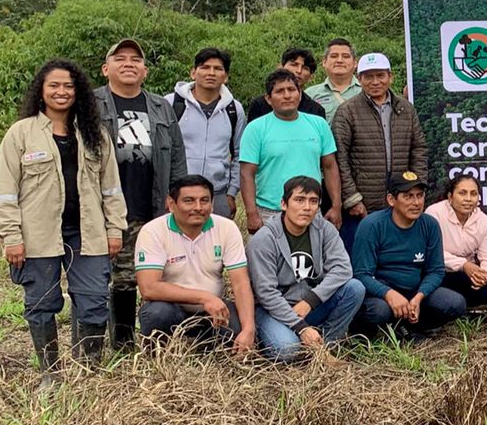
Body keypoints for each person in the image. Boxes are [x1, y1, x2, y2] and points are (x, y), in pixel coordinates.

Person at [0, 60, 125, 372]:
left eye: (69, 86)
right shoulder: (21, 134)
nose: (61, 92)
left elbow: (111, 189)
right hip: (37, 235)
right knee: (40, 304)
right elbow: (5, 192)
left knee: (93, 301)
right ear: (41, 90)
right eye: (54, 85)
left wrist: (115, 229)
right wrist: (11, 237)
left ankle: (88, 371)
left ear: (78, 91)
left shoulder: (95, 135)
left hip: (88, 233)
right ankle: (50, 374)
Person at [93, 37, 187, 352]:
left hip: (154, 206)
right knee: (118, 278)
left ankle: (157, 340)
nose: (129, 63)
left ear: (145, 71)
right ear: (106, 69)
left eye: (136, 59)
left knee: (155, 274)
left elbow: (176, 157)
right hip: (109, 207)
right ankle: (121, 344)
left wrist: (178, 199)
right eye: (120, 58)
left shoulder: (161, 106)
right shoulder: (92, 104)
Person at [245, 175, 365, 363]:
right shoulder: (263, 240)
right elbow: (266, 293)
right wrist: (300, 327)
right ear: (284, 204)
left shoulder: (325, 229)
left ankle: (324, 345)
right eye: (299, 200)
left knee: (354, 288)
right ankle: (299, 340)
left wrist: (311, 300)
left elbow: (342, 268)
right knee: (286, 351)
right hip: (274, 309)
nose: (307, 207)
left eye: (313, 201)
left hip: (310, 304)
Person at [135, 175, 257, 356]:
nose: (198, 208)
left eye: (204, 201)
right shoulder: (153, 231)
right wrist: (203, 298)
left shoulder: (227, 228)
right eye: (189, 201)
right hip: (172, 308)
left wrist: (248, 329)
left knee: (240, 330)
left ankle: (205, 349)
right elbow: (149, 288)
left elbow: (240, 283)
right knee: (157, 314)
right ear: (171, 203)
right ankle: (158, 354)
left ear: (213, 203)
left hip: (213, 312)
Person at [351, 172, 465, 338]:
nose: (416, 203)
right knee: (378, 311)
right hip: (381, 294)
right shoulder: (371, 225)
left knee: (455, 304)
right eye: (408, 196)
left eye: (420, 196)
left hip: (414, 291)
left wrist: (419, 296)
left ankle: (412, 326)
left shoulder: (430, 224)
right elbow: (361, 274)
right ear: (391, 200)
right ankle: (383, 330)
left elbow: (436, 270)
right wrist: (389, 294)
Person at [331, 52, 427, 247]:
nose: (375, 81)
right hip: (362, 206)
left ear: (390, 77)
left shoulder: (406, 109)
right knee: (362, 261)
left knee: (396, 259)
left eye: (380, 75)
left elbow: (419, 150)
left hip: (401, 202)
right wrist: (352, 198)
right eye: (368, 76)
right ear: (360, 79)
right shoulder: (347, 111)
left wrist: (415, 190)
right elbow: (340, 158)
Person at [239, 69, 342, 232]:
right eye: (279, 91)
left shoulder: (319, 124)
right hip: (269, 212)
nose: (287, 95)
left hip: (310, 210)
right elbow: (247, 173)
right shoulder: (256, 129)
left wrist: (336, 206)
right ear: (268, 98)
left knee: (313, 257)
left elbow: (330, 166)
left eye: (292, 90)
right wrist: (252, 213)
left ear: (300, 94)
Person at [169, 47, 246, 218]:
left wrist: (232, 193)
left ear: (225, 77)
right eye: (205, 67)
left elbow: (239, 153)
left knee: (215, 243)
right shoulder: (172, 104)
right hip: (178, 192)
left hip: (217, 194)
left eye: (218, 69)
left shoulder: (234, 110)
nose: (211, 73)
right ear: (193, 72)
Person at [425, 175, 487, 310]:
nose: (468, 199)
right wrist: (463, 264)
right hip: (438, 274)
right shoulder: (434, 213)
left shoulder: (483, 220)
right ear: (450, 196)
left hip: (464, 276)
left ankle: (460, 304)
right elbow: (431, 252)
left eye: (473, 194)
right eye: (462, 193)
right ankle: (453, 304)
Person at [246, 48, 328, 122]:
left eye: (305, 68)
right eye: (294, 64)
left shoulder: (315, 110)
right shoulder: (259, 105)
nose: (298, 71)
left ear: (311, 77)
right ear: (281, 67)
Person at [308, 38, 362, 121]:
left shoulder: (366, 92)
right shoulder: (310, 94)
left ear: (355, 63)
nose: (339, 60)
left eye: (345, 56)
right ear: (324, 62)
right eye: (334, 56)